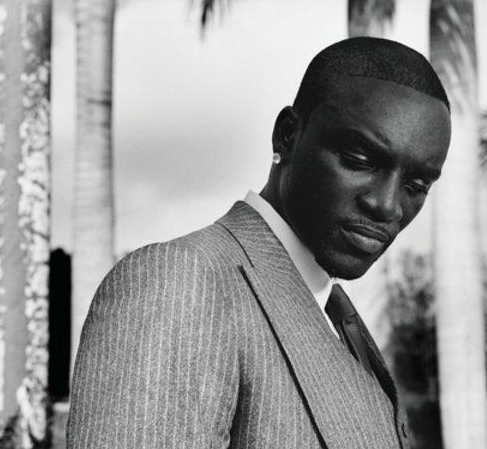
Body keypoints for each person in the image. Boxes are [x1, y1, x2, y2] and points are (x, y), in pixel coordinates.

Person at [67, 37, 451, 449]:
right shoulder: (178, 284)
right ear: (287, 135)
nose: (388, 205)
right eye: (359, 160)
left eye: (416, 185)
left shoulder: (337, 319)